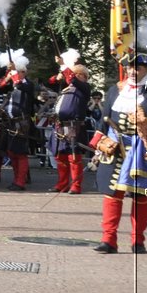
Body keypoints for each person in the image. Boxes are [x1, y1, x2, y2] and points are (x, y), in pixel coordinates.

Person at [95, 54, 147, 253]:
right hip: (116, 149)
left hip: (143, 151)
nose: (133, 71)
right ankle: (108, 240)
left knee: (140, 196)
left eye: (138, 68)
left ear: (146, 70)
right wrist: (99, 146)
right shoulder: (115, 90)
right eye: (130, 68)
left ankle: (137, 241)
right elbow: (103, 121)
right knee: (112, 193)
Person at [52, 62, 91, 195]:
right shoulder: (66, 88)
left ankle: (75, 186)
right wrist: (59, 75)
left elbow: (72, 78)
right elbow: (52, 82)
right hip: (60, 126)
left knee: (74, 158)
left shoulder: (84, 88)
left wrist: (63, 65)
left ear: (84, 76)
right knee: (60, 157)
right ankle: (62, 184)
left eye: (77, 74)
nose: (74, 76)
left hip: (74, 126)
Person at [0, 60, 37, 191]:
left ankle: (20, 181)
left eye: (19, 71)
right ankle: (16, 180)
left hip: (21, 123)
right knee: (12, 152)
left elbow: (20, 85)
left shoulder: (28, 85)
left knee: (20, 153)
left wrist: (13, 73)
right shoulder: (14, 83)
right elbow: (1, 85)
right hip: (11, 122)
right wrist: (9, 75)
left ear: (24, 73)